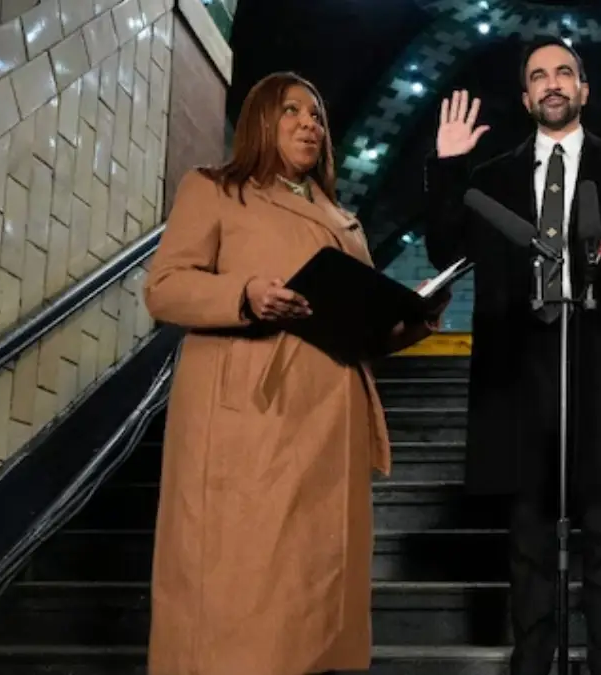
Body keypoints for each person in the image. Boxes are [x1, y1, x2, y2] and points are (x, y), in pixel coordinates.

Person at [143, 72, 447, 675]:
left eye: (317, 116)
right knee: (246, 594)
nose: (311, 123)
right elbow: (165, 288)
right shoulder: (215, 191)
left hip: (331, 427)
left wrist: (414, 318)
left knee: (318, 596)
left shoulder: (341, 217)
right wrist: (247, 294)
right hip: (252, 425)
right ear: (260, 120)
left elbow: (360, 329)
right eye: (292, 111)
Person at [423, 37, 601, 675]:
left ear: (584, 90)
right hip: (517, 375)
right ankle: (532, 663)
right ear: (526, 96)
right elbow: (441, 248)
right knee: (528, 543)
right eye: (538, 76)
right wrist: (447, 165)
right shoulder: (491, 178)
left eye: (564, 72)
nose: (552, 83)